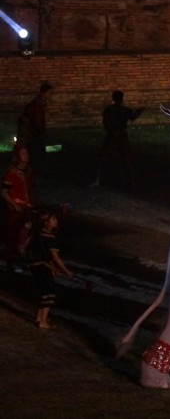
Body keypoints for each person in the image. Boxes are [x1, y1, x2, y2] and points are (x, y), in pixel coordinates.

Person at [28, 209, 74, 329]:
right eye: (53, 219)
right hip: (41, 266)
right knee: (50, 292)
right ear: (47, 223)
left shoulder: (39, 233)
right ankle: (43, 321)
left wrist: (53, 268)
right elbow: (54, 257)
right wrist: (66, 270)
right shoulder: (50, 238)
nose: (56, 221)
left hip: (35, 265)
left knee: (43, 291)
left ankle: (39, 318)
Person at [91, 90, 144, 188]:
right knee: (127, 159)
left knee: (102, 158)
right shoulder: (125, 110)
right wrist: (140, 111)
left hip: (112, 135)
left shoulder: (109, 109)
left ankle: (96, 180)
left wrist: (111, 131)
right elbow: (133, 117)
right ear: (122, 98)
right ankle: (133, 181)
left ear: (113, 98)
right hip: (122, 136)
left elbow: (106, 122)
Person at [1, 143, 35, 273]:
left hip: (27, 208)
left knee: (29, 232)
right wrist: (14, 205)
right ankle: (13, 262)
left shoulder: (29, 171)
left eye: (27, 153)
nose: (26, 156)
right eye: (23, 154)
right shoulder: (12, 173)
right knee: (16, 236)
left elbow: (31, 189)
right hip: (16, 210)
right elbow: (3, 192)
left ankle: (22, 257)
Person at [17, 83, 53, 168]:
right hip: (31, 130)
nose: (50, 95)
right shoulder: (37, 104)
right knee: (35, 147)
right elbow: (37, 119)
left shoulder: (39, 102)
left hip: (31, 129)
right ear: (44, 92)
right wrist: (40, 131)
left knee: (34, 147)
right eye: (49, 92)